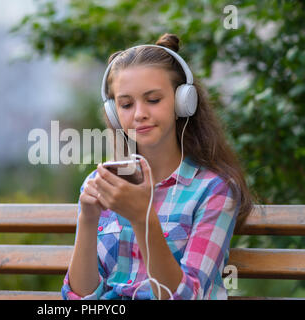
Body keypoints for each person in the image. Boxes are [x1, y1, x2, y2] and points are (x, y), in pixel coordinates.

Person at [61, 33, 255, 300]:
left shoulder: (215, 190)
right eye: (126, 104)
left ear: (182, 102)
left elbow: (186, 296)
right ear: (114, 113)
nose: (139, 113)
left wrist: (143, 219)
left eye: (153, 100)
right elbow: (80, 298)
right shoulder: (104, 182)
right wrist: (87, 218)